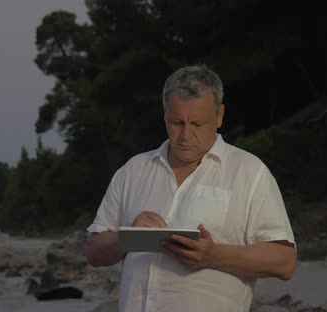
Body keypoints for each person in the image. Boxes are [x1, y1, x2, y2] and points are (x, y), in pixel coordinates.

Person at [84, 65, 296, 312]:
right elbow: (93, 252)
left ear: (219, 116)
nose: (185, 135)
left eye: (197, 124)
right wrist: (127, 236)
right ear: (164, 114)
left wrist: (214, 255)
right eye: (177, 122)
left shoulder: (249, 172)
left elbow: (284, 262)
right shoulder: (133, 170)